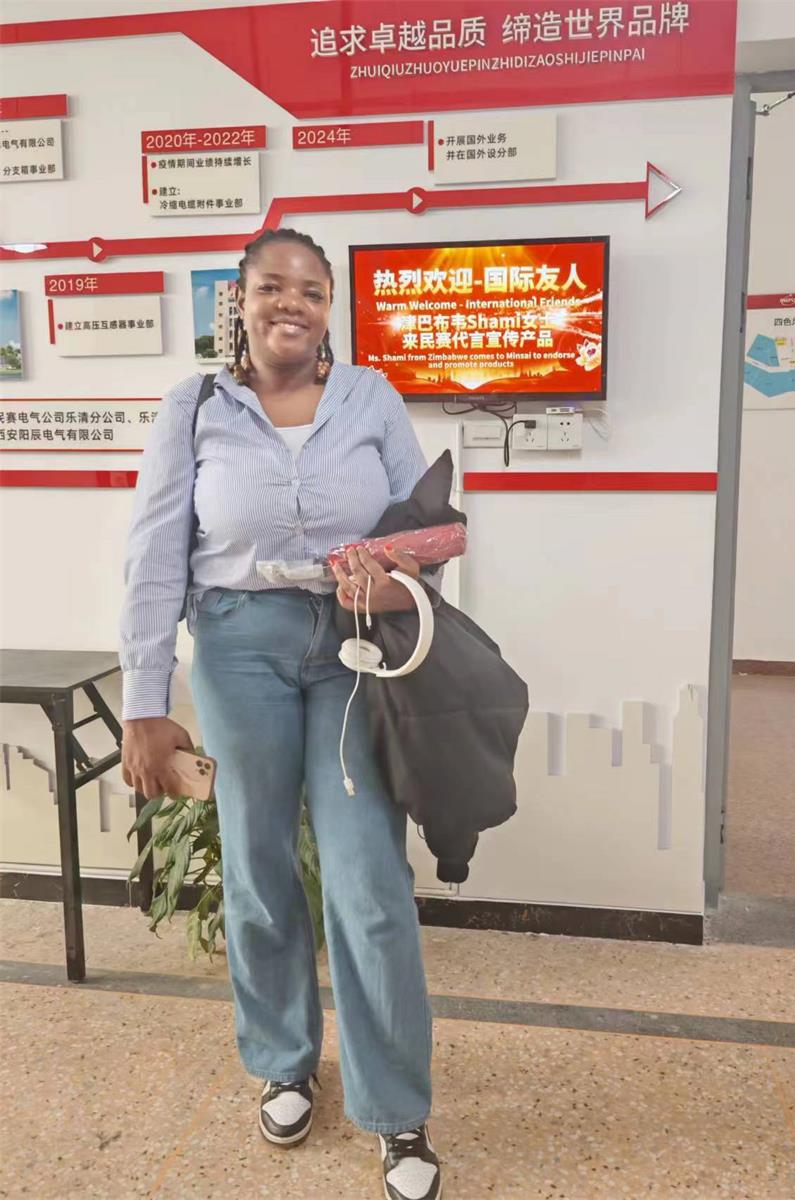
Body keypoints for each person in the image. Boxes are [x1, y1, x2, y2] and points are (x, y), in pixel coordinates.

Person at [119, 228, 442, 1200]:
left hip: (353, 649)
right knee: (259, 867)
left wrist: (400, 577)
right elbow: (153, 557)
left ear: (329, 305)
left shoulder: (371, 398)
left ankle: (396, 1108)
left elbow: (427, 530)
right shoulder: (196, 409)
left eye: (309, 289)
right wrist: (144, 702)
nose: (289, 303)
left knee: (368, 879)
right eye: (271, 286)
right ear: (242, 301)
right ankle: (284, 1062)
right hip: (238, 648)